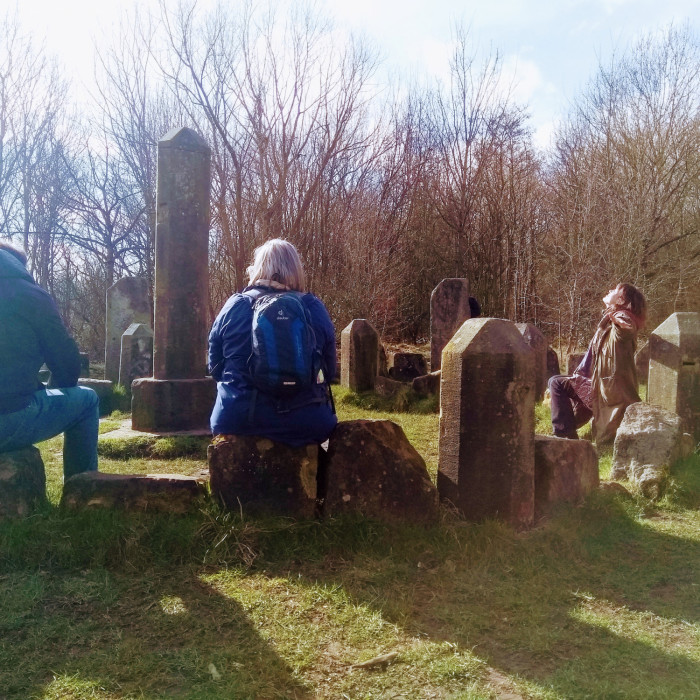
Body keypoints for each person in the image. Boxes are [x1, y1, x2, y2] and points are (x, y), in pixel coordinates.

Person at [208, 239, 337, 446]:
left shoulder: (235, 305)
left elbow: (214, 367)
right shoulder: (313, 307)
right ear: (296, 270)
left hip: (239, 418)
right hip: (307, 421)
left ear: (258, 268)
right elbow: (329, 372)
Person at [0, 240, 99, 478]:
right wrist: (47, 392)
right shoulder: (30, 295)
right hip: (8, 419)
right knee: (87, 400)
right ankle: (81, 491)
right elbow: (66, 364)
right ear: (18, 265)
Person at [548, 283, 646, 444]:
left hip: (607, 391)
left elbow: (626, 330)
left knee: (556, 382)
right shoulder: (609, 319)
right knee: (563, 384)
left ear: (621, 299)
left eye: (615, 290)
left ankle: (565, 438)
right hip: (600, 386)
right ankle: (568, 435)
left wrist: (621, 324)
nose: (609, 290)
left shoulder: (622, 316)